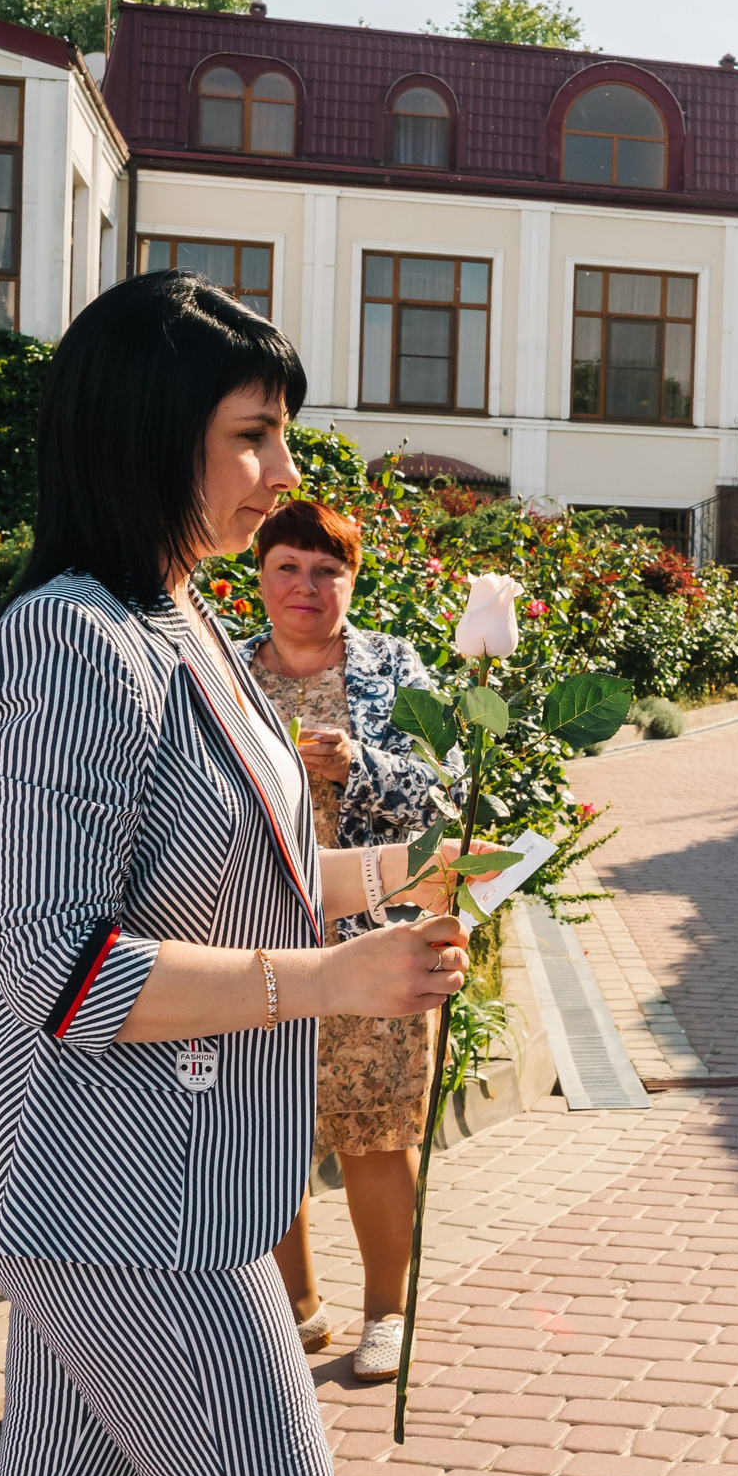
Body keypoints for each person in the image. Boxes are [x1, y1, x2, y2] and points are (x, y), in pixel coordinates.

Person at [0, 271, 487, 1476]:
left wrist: (399, 875)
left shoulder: (178, 616)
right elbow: (60, 972)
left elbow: (235, 878)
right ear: (141, 430)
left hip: (148, 1176)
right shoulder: (69, 644)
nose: (279, 470)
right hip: (118, 1191)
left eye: (281, 433)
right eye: (250, 434)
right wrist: (333, 975)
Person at [238, 498, 452, 1383]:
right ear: (259, 574)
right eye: (288, 565)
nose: (306, 586)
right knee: (260, 1128)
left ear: (352, 581)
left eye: (327, 570)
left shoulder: (392, 667)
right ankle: (296, 1308)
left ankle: (387, 1313)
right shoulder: (224, 669)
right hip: (251, 934)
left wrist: (361, 763)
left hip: (371, 939)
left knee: (376, 1129)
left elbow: (447, 793)